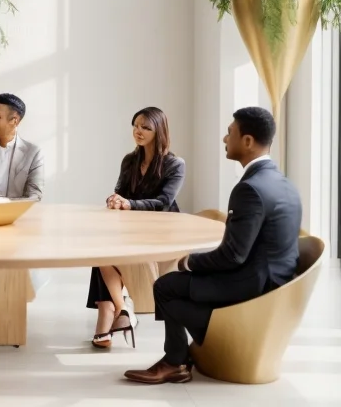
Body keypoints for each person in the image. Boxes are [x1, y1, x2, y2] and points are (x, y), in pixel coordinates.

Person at [124, 106, 301, 385]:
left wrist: (189, 261)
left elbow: (233, 255)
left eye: (230, 132)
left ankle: (176, 361)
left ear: (247, 141)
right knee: (175, 284)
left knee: (165, 286)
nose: (224, 139)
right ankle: (179, 358)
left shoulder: (250, 188)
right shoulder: (282, 182)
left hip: (253, 288)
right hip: (275, 283)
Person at [88, 107, 185, 350]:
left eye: (145, 127)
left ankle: (110, 313)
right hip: (131, 227)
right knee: (100, 246)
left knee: (108, 251)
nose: (138, 131)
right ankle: (121, 310)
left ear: (159, 131)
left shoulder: (174, 164)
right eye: (136, 125)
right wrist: (115, 199)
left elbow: (164, 201)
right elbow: (121, 190)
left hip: (161, 230)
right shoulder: (130, 160)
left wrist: (129, 204)